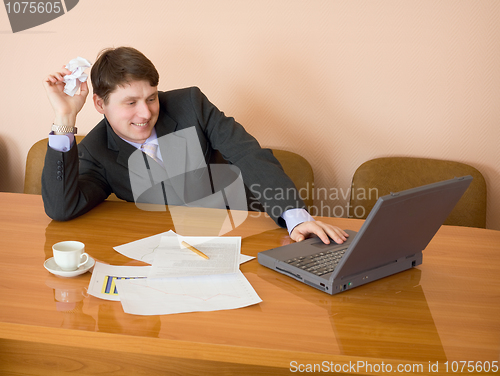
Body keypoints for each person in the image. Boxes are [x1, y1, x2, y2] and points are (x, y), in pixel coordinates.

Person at [42, 46, 348, 244]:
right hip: (165, 249)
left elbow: (246, 152)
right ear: (99, 104)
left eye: (151, 98)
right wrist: (64, 117)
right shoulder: (96, 149)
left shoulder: (190, 104)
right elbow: (62, 208)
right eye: (130, 102)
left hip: (242, 230)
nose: (146, 112)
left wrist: (294, 217)